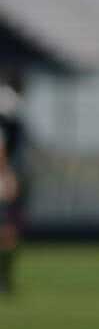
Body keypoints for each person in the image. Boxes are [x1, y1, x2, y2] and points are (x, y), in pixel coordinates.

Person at [0, 70, 28, 296]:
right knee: (8, 230)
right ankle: (4, 281)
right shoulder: (8, 107)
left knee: (8, 230)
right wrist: (6, 174)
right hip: (2, 175)